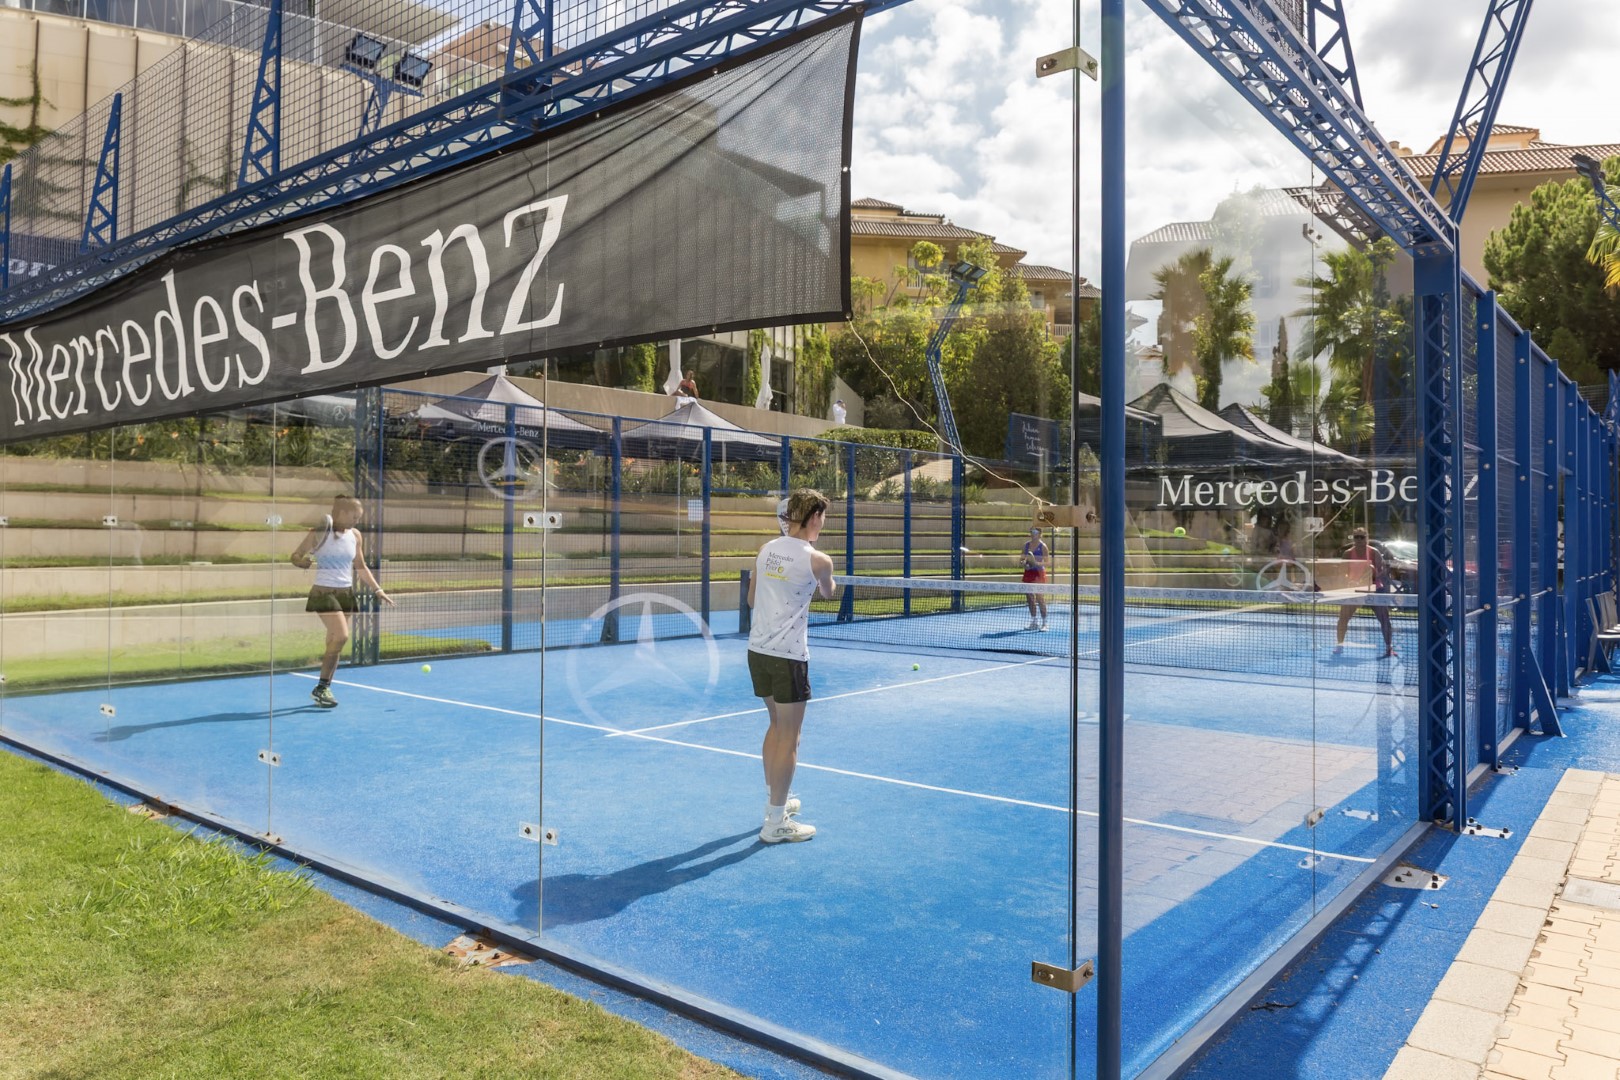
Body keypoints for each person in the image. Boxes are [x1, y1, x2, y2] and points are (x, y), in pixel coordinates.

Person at [747, 488, 836, 843]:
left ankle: (776, 802)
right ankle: (775, 823)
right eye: (823, 517)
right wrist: (825, 579)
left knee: (775, 726)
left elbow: (751, 598)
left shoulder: (765, 550)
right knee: (790, 736)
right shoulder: (819, 560)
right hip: (789, 657)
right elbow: (828, 592)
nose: (823, 523)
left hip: (758, 652)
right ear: (813, 517)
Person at [290, 495, 394, 707]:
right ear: (342, 513)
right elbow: (295, 555)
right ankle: (321, 688)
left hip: (345, 593)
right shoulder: (319, 532)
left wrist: (378, 589)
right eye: (354, 516)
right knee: (342, 636)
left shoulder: (355, 535)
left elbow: (360, 566)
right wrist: (301, 562)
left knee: (334, 641)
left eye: (359, 517)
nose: (357, 521)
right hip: (324, 593)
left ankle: (323, 688)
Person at [1335, 526, 1395, 658]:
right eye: (1356, 537)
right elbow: (1342, 572)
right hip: (1354, 590)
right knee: (1343, 618)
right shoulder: (1348, 554)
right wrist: (1350, 581)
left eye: (1362, 537)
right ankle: (1339, 645)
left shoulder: (1374, 552)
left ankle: (1388, 647)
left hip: (1374, 589)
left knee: (1384, 619)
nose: (1359, 540)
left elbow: (1381, 572)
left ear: (1366, 538)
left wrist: (1371, 574)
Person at [1022, 526, 1049, 631]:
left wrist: (1036, 563)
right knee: (1030, 598)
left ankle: (1045, 623)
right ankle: (1034, 621)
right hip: (1028, 573)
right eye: (1031, 532)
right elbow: (1021, 559)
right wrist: (1024, 564)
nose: (1033, 534)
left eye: (1035, 532)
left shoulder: (1043, 546)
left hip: (1039, 573)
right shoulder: (1026, 545)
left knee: (1040, 598)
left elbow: (1047, 563)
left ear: (1040, 534)